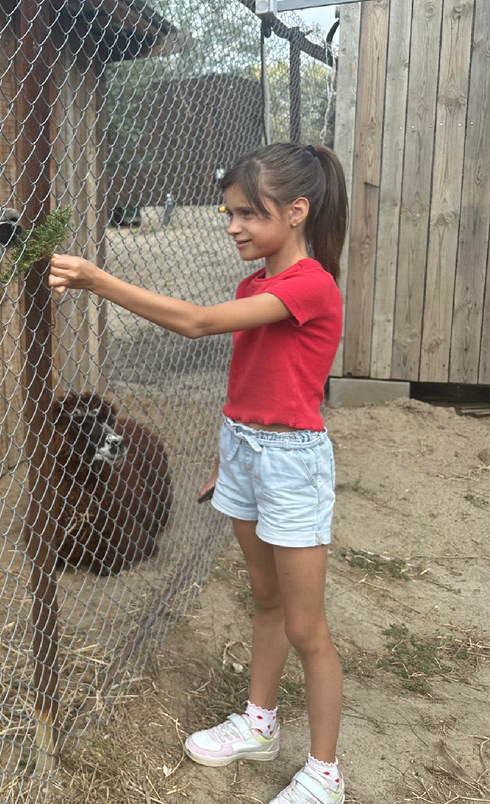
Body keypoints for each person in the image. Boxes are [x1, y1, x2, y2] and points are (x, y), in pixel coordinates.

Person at [48, 142, 349, 804]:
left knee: (307, 627)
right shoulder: (258, 282)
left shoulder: (310, 285)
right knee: (265, 599)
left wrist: (99, 281)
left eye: (248, 213)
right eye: (229, 213)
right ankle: (260, 723)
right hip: (244, 451)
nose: (234, 226)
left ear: (297, 212)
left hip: (292, 464)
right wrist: (228, 459)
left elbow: (198, 323)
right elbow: (252, 380)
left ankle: (326, 774)